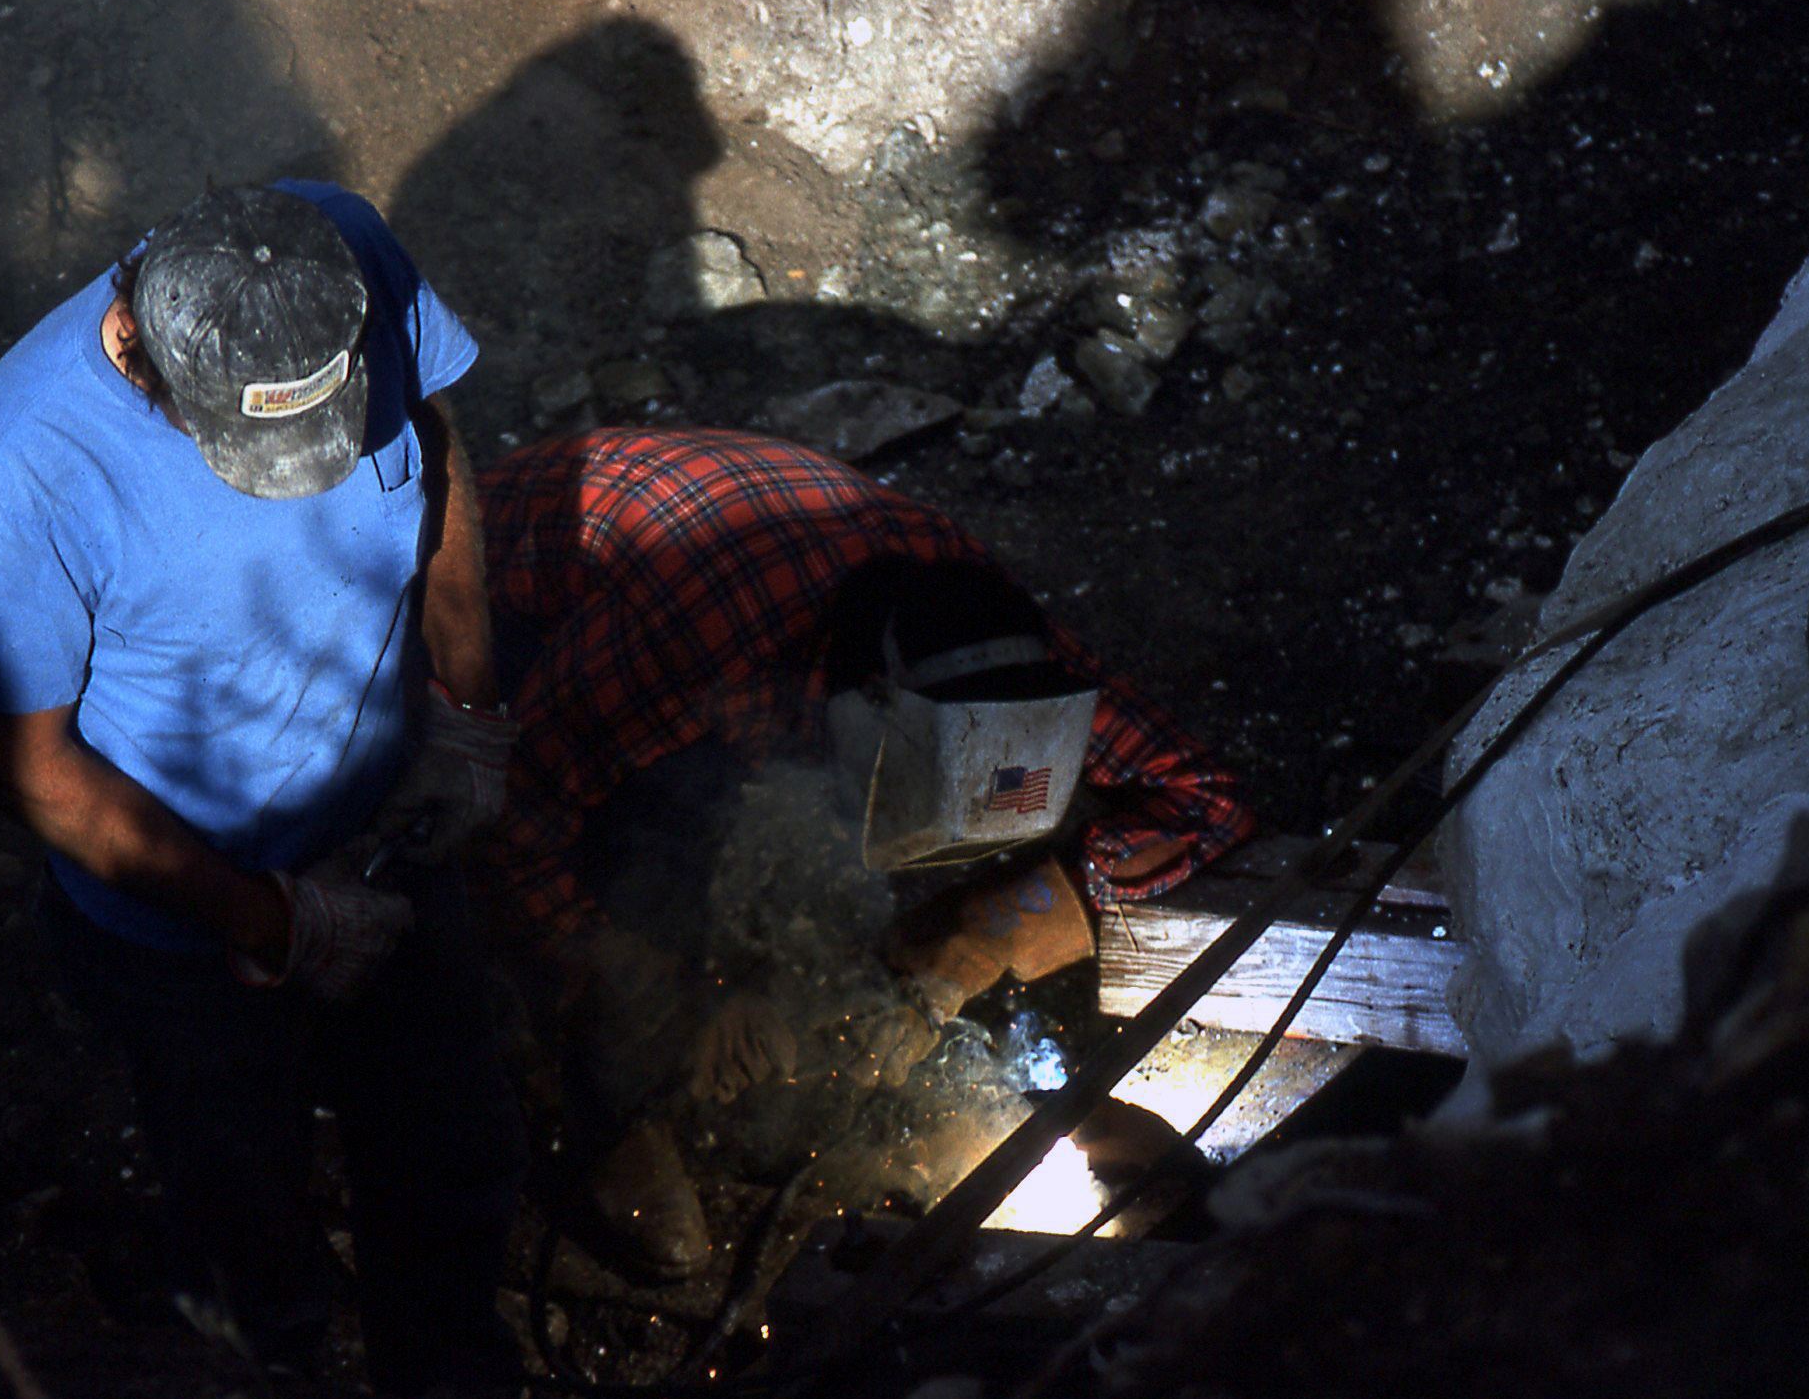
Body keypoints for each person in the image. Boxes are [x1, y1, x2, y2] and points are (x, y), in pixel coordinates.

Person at [0, 181, 525, 1393]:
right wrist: (269, 922)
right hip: (185, 931)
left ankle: (451, 1392)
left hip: (381, 831)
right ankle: (274, 1380)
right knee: (244, 1203)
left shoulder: (338, 253)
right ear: (141, 345)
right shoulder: (27, 465)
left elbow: (442, 445)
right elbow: (23, 766)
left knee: (449, 1150)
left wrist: (464, 704)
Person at [471, 425, 1253, 1277]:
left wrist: (974, 938)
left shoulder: (999, 648)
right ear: (866, 705)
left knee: (702, 788)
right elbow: (512, 811)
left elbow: (1204, 801)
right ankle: (592, 1106)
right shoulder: (702, 644)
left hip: (736, 619)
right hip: (496, 592)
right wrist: (672, 990)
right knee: (635, 817)